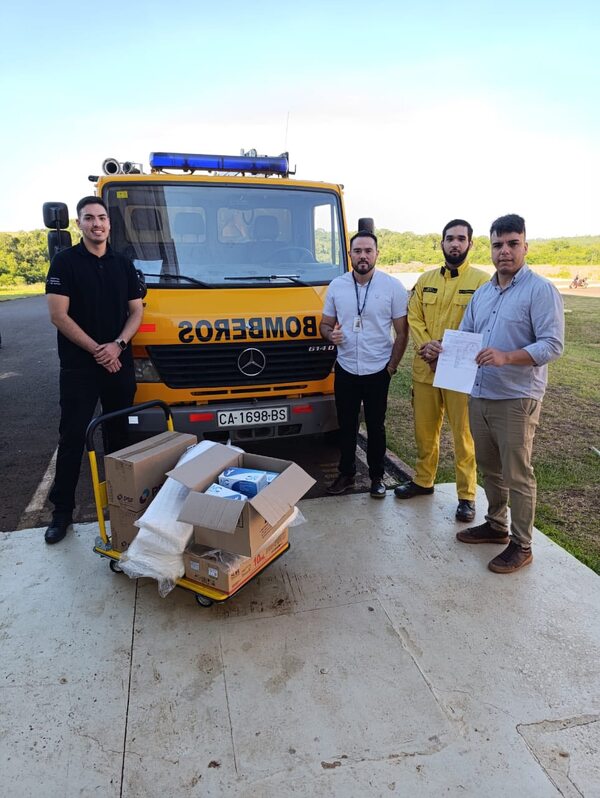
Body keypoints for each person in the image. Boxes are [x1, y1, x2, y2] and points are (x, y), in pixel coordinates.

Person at [457, 214, 564, 573]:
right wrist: (442, 349)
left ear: (525, 247)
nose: (504, 251)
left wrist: (507, 357)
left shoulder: (540, 290)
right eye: (498, 245)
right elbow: (467, 337)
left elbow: (552, 345)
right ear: (490, 249)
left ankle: (522, 545)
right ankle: (496, 525)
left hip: (516, 398)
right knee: (490, 468)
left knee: (517, 474)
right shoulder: (484, 293)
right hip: (480, 394)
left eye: (512, 244)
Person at [44, 196, 144, 544]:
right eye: (89, 218)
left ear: (109, 224)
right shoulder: (64, 262)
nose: (96, 224)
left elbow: (136, 311)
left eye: (101, 218)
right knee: (72, 438)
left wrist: (118, 345)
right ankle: (61, 513)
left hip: (119, 363)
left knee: (120, 438)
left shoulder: (124, 264)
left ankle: (123, 508)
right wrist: (99, 351)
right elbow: (58, 315)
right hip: (79, 369)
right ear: (79, 224)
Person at [394, 220, 489, 522]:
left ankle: (467, 495)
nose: (455, 244)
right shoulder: (425, 280)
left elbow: (484, 323)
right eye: (449, 239)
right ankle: (423, 480)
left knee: (463, 435)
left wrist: (447, 352)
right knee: (424, 431)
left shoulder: (482, 282)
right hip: (426, 368)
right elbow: (414, 317)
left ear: (470, 244)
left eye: (461, 239)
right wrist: (428, 347)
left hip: (460, 371)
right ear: (441, 243)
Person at [320, 231, 409, 497]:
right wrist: (330, 335)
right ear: (349, 254)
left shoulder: (392, 287)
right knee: (346, 425)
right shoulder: (337, 286)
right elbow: (325, 324)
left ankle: (377, 477)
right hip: (346, 367)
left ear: (377, 254)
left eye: (368, 251)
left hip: (378, 369)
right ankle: (346, 474)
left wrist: (391, 368)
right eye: (357, 251)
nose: (363, 256)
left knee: (375, 426)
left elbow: (402, 333)